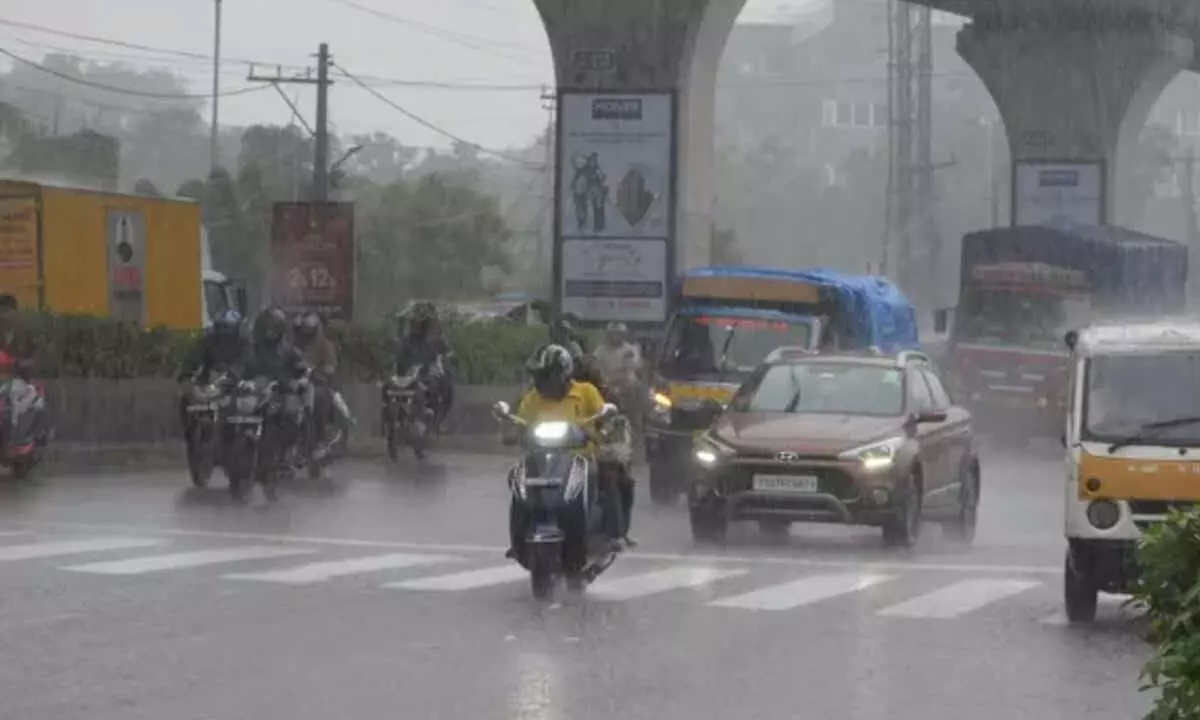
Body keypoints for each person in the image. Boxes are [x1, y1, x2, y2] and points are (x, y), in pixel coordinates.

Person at [506, 344, 624, 563]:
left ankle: (613, 534)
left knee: (609, 474)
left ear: (563, 374)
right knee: (516, 478)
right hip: (542, 459)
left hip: (582, 457)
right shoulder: (532, 398)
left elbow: (607, 419)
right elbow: (520, 425)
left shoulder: (586, 392)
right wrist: (512, 432)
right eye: (538, 376)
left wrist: (602, 432)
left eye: (547, 376)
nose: (542, 382)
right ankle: (518, 539)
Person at [0, 294, 50, 446]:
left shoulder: (25, 331)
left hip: (18, 377)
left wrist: (23, 364)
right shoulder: (7, 331)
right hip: (8, 377)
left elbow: (37, 354)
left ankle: (18, 435)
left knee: (21, 398)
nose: (5, 317)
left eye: (7, 313)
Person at [395, 302, 453, 427]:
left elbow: (444, 364)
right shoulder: (409, 342)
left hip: (428, 380)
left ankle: (433, 419)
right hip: (409, 379)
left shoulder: (438, 343)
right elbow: (401, 363)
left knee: (438, 385)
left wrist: (438, 370)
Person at [292, 312, 341, 453]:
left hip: (317, 383)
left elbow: (331, 366)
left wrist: (319, 371)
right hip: (296, 382)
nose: (304, 334)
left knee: (319, 399)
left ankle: (321, 437)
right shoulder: (294, 345)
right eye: (301, 330)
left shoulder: (324, 344)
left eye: (308, 330)